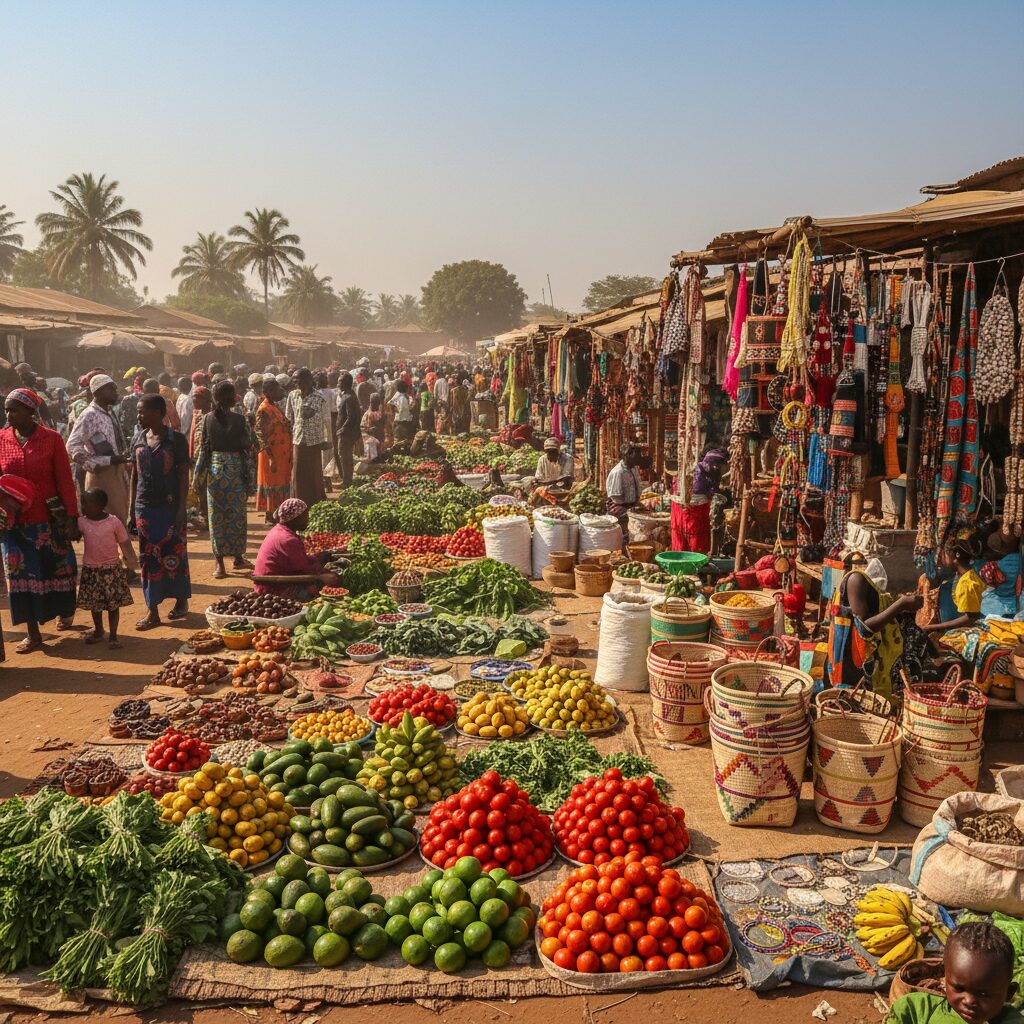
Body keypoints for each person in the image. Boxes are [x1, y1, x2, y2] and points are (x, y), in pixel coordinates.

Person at [0, 389, 80, 651]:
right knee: (21, 576)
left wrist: (71, 518)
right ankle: (33, 632)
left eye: (14, 409)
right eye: (7, 409)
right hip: (14, 523)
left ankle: (63, 612)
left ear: (30, 412)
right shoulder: (1, 439)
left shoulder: (52, 439)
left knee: (54, 568)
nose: (8, 414)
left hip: (48, 519)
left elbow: (65, 480)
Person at [824, 556, 924, 701]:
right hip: (853, 662)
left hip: (862, 663)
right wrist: (900, 605)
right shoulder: (856, 580)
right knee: (852, 701)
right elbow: (864, 628)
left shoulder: (867, 585)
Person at [64, 376, 137, 573]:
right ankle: (117, 566)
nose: (115, 392)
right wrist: (98, 462)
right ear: (97, 392)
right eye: (110, 389)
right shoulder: (89, 415)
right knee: (105, 521)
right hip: (101, 475)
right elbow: (72, 446)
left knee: (119, 519)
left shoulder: (109, 413)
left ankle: (126, 566)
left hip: (116, 471)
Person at [130, 394, 192, 629]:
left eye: (142, 411)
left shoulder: (176, 440)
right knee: (148, 559)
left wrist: (181, 509)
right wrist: (130, 512)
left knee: (174, 553)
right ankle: (152, 610)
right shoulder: (138, 438)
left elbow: (184, 475)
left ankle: (181, 601)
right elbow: (135, 476)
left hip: (169, 507)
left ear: (158, 412)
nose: (139, 416)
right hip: (144, 507)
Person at [885, 920, 1022, 1024]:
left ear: (1008, 993)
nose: (969, 1001)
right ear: (944, 977)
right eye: (958, 988)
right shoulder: (917, 1010)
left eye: (983, 994)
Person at [195, 379, 254, 579]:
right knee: (236, 517)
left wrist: (197, 476)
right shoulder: (241, 420)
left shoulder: (207, 419)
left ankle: (220, 565)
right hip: (235, 473)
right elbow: (248, 446)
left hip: (215, 472)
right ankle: (238, 557)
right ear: (233, 398)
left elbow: (203, 450)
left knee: (217, 518)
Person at [76, 487, 135, 648]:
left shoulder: (114, 522)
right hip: (91, 570)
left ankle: (114, 636)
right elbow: (73, 535)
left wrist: (129, 563)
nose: (83, 507)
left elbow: (124, 543)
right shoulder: (82, 522)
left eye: (86, 504)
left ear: (99, 505)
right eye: (82, 504)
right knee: (95, 605)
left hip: (111, 569)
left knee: (112, 605)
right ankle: (98, 630)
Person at [253, 498, 342, 599]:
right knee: (329, 583)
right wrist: (321, 576)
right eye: (305, 516)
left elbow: (300, 564)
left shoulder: (279, 529)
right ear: (295, 518)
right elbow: (304, 570)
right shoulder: (289, 539)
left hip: (270, 582)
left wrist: (317, 558)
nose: (308, 519)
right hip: (273, 588)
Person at [284, 367, 329, 507]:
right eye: (295, 381)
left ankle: (315, 501)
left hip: (315, 440)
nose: (296, 384)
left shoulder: (320, 397)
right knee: (297, 473)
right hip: (298, 439)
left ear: (309, 381)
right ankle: (298, 501)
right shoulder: (292, 396)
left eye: (299, 381)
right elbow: (288, 417)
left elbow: (327, 420)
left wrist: (328, 440)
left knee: (314, 472)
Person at [922, 541, 984, 637]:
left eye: (945, 555)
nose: (941, 560)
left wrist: (934, 627)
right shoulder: (965, 576)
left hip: (971, 630)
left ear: (957, 555)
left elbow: (970, 618)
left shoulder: (966, 582)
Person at [254, 376, 293, 520]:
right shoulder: (264, 409)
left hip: (281, 454)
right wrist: (270, 457)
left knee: (281, 482)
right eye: (277, 390)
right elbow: (259, 433)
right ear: (269, 392)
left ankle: (277, 512)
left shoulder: (273, 407)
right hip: (271, 455)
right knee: (271, 483)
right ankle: (270, 515)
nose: (280, 392)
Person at [337, 371, 363, 490]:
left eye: (340, 382)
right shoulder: (348, 395)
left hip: (347, 434)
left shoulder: (349, 397)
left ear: (346, 383)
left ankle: (347, 481)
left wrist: (342, 429)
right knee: (345, 456)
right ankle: (347, 480)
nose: (338, 384)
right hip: (348, 432)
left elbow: (351, 416)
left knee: (344, 456)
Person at [606, 445, 644, 524]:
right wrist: (630, 509)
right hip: (619, 509)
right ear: (627, 456)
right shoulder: (618, 472)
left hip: (630, 507)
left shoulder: (633, 469)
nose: (638, 459)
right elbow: (616, 498)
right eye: (636, 456)